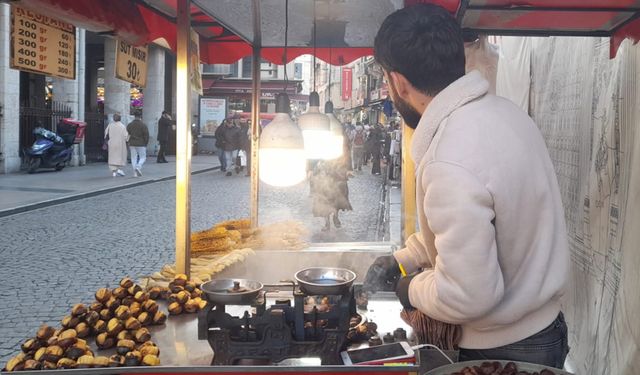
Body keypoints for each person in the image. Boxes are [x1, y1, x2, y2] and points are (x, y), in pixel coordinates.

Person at [364, 4, 569, 368]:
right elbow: (493, 222)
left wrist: (409, 289)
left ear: (397, 82)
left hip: (505, 349)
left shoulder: (449, 156)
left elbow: (469, 295)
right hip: (545, 329)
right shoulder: (506, 113)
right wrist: (408, 258)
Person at [309, 156, 352, 232]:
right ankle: (327, 223)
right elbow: (312, 156)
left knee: (337, 198)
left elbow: (345, 153)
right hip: (322, 174)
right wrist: (310, 169)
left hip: (337, 171)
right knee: (324, 200)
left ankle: (335, 216)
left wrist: (348, 169)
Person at [104, 113, 129, 177]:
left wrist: (107, 141)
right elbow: (126, 136)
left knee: (112, 157)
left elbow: (106, 134)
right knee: (118, 157)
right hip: (120, 144)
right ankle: (117, 170)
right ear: (120, 118)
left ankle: (114, 171)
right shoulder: (122, 126)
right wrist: (128, 139)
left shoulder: (110, 125)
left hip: (111, 143)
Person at [127, 112, 149, 177]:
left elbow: (127, 134)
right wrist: (146, 143)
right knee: (143, 157)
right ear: (140, 117)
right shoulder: (143, 125)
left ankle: (135, 173)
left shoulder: (130, 125)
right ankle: (138, 167)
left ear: (134, 116)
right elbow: (146, 135)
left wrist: (128, 141)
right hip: (141, 143)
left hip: (132, 143)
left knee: (133, 158)